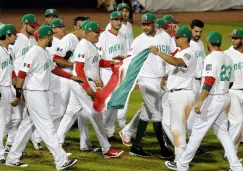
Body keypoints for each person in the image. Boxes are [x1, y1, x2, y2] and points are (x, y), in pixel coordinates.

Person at [6, 25, 80, 170]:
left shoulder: (44, 52)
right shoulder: (33, 53)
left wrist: (72, 77)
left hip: (40, 93)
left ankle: (12, 157)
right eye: (51, 36)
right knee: (47, 127)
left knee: (27, 126)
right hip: (34, 93)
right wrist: (18, 96)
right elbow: (21, 75)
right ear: (47, 37)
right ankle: (61, 160)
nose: (53, 38)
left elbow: (54, 68)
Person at [168, 31, 243, 171]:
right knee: (222, 132)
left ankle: (182, 164)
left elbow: (209, 80)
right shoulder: (227, 57)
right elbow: (231, 82)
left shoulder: (211, 58)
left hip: (214, 98)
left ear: (209, 43)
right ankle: (236, 166)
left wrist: (201, 101)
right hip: (225, 97)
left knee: (197, 131)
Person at [67, 21, 124, 158]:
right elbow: (79, 68)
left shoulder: (91, 45)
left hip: (82, 83)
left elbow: (98, 62)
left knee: (70, 114)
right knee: (96, 114)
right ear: (87, 33)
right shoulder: (82, 46)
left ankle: (56, 143)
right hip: (83, 83)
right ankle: (106, 149)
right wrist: (86, 87)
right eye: (96, 32)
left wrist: (111, 62)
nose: (99, 34)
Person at [128, 13, 175, 159]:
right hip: (146, 80)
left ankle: (135, 146)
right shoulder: (138, 41)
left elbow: (173, 53)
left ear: (154, 24)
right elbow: (130, 61)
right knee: (157, 114)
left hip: (162, 80)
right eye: (143, 24)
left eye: (148, 24)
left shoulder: (165, 36)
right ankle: (163, 149)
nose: (145, 27)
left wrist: (167, 75)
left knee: (146, 114)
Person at [150, 26, 196, 164]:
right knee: (166, 123)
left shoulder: (189, 53)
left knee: (178, 128)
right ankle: (183, 152)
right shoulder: (179, 52)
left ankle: (181, 161)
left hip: (182, 94)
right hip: (172, 94)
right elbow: (173, 66)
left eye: (178, 37)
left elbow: (178, 63)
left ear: (185, 38)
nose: (175, 39)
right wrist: (165, 77)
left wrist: (158, 53)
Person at [5, 13, 42, 153]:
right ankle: (9, 143)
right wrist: (14, 79)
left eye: (35, 26)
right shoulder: (17, 39)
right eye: (32, 26)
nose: (33, 28)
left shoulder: (33, 40)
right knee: (16, 117)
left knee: (22, 117)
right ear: (25, 24)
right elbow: (9, 61)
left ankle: (12, 144)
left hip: (29, 83)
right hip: (16, 82)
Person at [99, 11, 128, 139]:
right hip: (106, 74)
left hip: (119, 74)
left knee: (115, 104)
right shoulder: (103, 36)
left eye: (120, 20)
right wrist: (99, 78)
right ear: (110, 21)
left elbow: (126, 55)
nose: (118, 22)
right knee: (107, 104)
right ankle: (102, 132)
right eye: (116, 19)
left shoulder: (122, 36)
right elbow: (98, 59)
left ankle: (109, 133)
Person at [0, 24, 18, 164]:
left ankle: (7, 147)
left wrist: (17, 90)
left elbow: (11, 71)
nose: (16, 37)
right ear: (7, 35)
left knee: (16, 118)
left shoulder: (9, 50)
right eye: (14, 34)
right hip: (1, 88)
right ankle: (0, 154)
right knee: (1, 122)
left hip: (8, 88)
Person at [224, 29, 243, 159]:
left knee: (240, 125)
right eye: (232, 38)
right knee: (237, 121)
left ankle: (232, 152)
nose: (233, 40)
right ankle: (229, 152)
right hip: (232, 91)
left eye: (236, 38)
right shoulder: (227, 54)